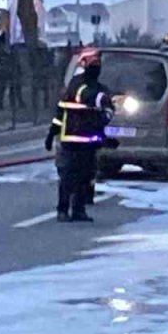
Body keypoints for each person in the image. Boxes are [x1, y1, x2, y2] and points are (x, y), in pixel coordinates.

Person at [45, 48, 116, 222]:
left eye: (97, 64)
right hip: (71, 139)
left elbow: (101, 117)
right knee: (69, 176)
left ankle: (78, 210)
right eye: (93, 64)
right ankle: (63, 210)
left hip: (88, 142)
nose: (96, 67)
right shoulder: (77, 85)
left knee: (85, 177)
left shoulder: (99, 87)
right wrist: (51, 133)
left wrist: (104, 138)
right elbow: (71, 105)